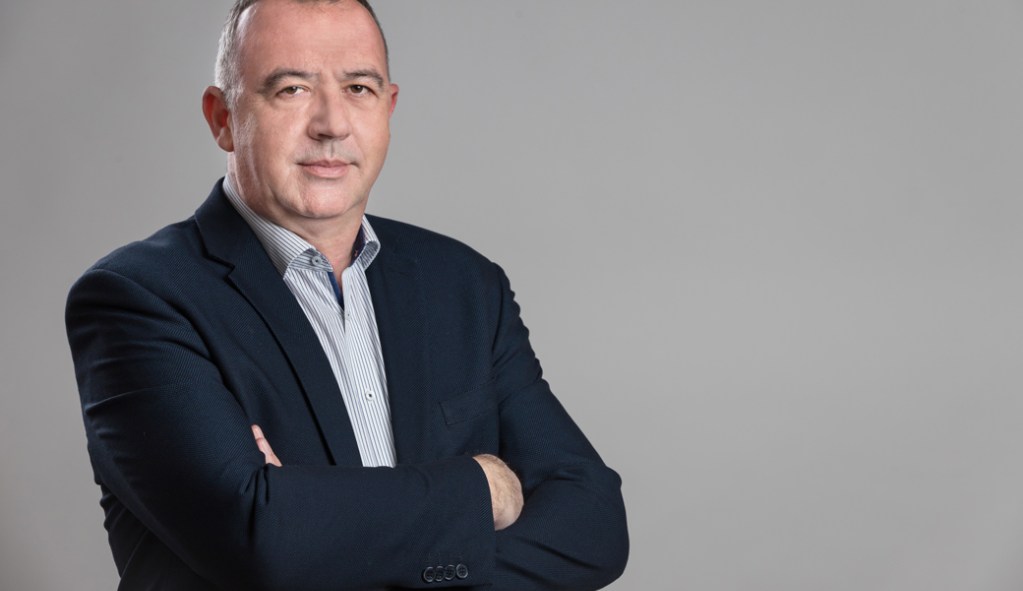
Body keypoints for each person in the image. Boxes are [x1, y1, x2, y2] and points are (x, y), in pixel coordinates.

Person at [65, 0, 628, 589]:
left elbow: (594, 526)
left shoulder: (463, 286)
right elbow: (260, 536)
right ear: (223, 118)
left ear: (388, 108)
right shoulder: (138, 299)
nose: (332, 124)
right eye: (291, 89)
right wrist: (481, 488)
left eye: (359, 88)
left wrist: (321, 523)